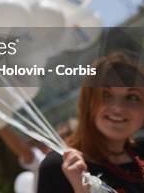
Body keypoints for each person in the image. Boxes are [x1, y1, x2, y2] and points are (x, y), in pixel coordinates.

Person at [37, 51, 144, 193]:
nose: (118, 108)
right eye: (106, 94)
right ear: (88, 102)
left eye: (132, 97)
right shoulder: (60, 167)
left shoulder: (140, 151)